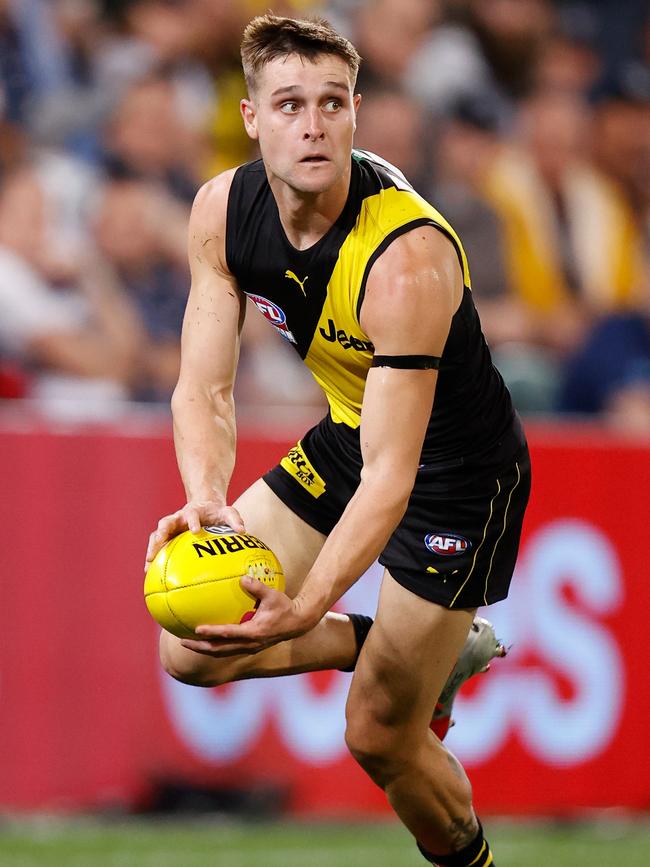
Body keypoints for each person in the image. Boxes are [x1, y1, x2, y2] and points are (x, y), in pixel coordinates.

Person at [146, 15, 531, 866]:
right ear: (251, 118)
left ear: (358, 113)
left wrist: (306, 604)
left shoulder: (408, 257)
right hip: (357, 432)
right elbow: (204, 386)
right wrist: (206, 497)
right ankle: (429, 653)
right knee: (189, 645)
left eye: (332, 103)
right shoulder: (222, 209)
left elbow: (394, 479)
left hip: (458, 474)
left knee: (380, 737)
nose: (313, 125)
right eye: (289, 104)